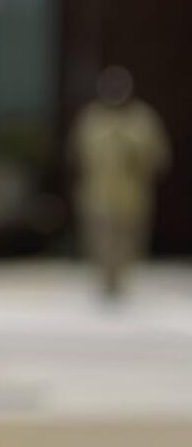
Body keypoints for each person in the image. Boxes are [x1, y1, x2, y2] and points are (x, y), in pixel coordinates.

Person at [70, 66, 171, 298]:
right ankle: (106, 279)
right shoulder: (91, 118)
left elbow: (157, 156)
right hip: (97, 193)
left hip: (132, 195)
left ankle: (120, 279)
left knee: (128, 239)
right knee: (100, 238)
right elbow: (78, 154)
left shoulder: (142, 119)